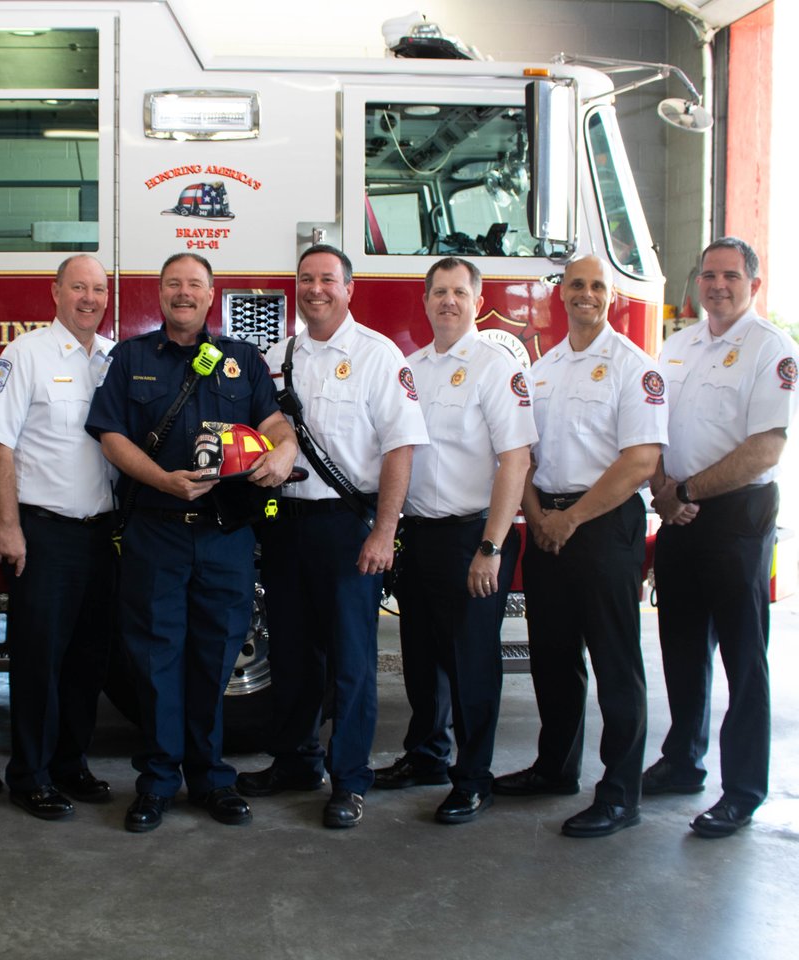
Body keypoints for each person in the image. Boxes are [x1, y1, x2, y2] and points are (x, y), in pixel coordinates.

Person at [85, 252, 297, 833]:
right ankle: (155, 782)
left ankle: (210, 778)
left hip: (226, 536)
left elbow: (274, 421)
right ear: (160, 294)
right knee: (154, 663)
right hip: (156, 532)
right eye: (174, 284)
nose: (184, 293)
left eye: (195, 285)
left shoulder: (241, 360)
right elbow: (109, 434)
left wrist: (283, 450)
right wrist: (162, 480)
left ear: (211, 296)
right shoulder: (131, 358)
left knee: (215, 660)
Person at [236, 244, 428, 829]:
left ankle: (349, 779)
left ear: (350, 288)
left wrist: (385, 533)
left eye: (327, 279)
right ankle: (296, 761)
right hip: (286, 524)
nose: (315, 289)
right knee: (294, 655)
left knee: (351, 660)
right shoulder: (277, 355)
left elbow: (401, 447)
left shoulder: (378, 355)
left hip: (348, 528)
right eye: (306, 279)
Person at [493, 254, 666, 838]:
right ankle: (555, 769)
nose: (586, 294)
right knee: (553, 657)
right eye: (576, 285)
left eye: (597, 286)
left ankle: (620, 794)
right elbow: (528, 456)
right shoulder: (543, 369)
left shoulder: (634, 368)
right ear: (559, 295)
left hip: (604, 526)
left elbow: (641, 460)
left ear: (610, 298)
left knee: (616, 664)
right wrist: (539, 516)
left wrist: (573, 519)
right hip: (547, 526)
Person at [371, 257, 535, 823]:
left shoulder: (494, 367)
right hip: (417, 536)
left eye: (459, 292)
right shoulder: (409, 368)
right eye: (438, 292)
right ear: (424, 301)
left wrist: (491, 546)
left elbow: (515, 460)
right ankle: (427, 756)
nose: (448, 301)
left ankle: (473, 776)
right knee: (421, 658)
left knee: (471, 664)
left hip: (471, 535)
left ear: (476, 300)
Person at [644, 237, 797, 838]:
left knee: (742, 658)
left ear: (753, 285)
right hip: (678, 513)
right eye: (708, 275)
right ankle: (683, 761)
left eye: (730, 276)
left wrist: (686, 493)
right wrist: (663, 489)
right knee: (681, 649)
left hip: (736, 518)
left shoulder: (771, 350)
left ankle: (743, 790)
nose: (717, 285)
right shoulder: (676, 347)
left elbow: (765, 446)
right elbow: (651, 430)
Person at [0, 255, 117, 821]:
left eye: (98, 289)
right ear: (55, 292)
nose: (89, 298)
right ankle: (28, 774)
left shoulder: (112, 360)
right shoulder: (25, 355)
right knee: (39, 660)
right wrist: (7, 526)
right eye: (78, 287)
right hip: (44, 534)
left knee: (88, 659)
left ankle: (70, 764)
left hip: (101, 535)